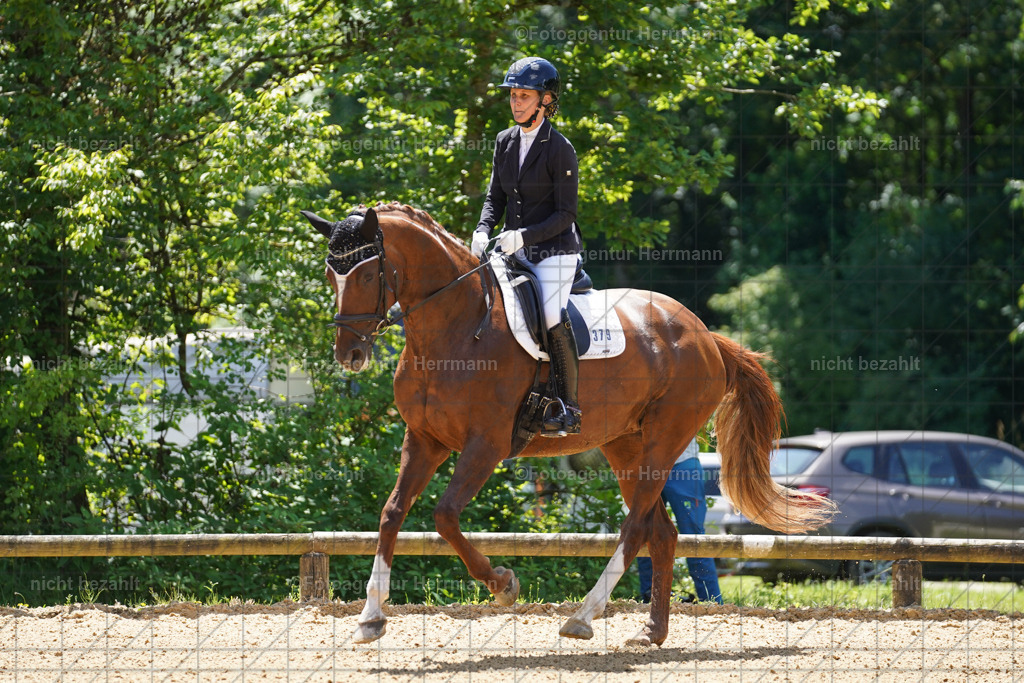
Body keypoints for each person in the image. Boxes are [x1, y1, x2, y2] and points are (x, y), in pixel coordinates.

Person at [472, 56, 583, 437]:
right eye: (513, 96)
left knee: (551, 315)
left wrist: (524, 236)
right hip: (511, 248)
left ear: (546, 100)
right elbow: (494, 198)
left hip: (554, 252)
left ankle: (568, 407)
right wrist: (483, 229)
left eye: (524, 95)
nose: (516, 102)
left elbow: (566, 214)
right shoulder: (504, 141)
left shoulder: (560, 148)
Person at [635, 439, 724, 604]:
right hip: (647, 463)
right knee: (645, 532)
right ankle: (650, 598)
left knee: (694, 537)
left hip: (682, 462)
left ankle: (712, 603)